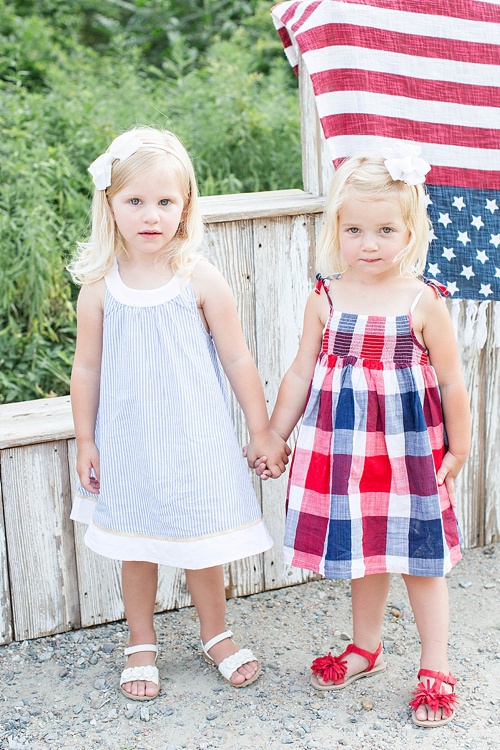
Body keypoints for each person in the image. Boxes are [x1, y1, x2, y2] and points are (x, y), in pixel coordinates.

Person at [252, 143, 470, 727]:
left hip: (409, 455)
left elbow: (451, 380)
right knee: (365, 555)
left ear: (409, 230)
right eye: (354, 230)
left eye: (383, 230)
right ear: (336, 230)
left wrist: (462, 445)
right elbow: (301, 371)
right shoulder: (326, 297)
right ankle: (366, 646)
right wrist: (276, 433)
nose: (367, 244)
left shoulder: (423, 301)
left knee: (420, 560)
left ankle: (435, 664)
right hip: (345, 455)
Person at [68, 126, 289, 701]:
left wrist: (261, 428)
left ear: (185, 205)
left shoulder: (199, 277)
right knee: (136, 545)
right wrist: (85, 439)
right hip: (129, 442)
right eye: (134, 201)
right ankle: (141, 639)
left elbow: (238, 358)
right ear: (110, 205)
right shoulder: (100, 288)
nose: (150, 215)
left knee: (201, 544)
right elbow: (86, 370)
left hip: (195, 441)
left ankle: (214, 632)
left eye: (165, 201)